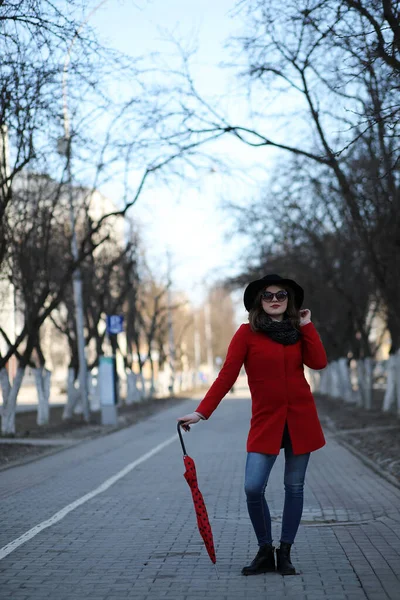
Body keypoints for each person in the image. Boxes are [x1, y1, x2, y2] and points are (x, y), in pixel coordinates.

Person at [178, 273, 327, 576]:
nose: (275, 300)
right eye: (268, 295)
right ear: (259, 301)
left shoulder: (299, 332)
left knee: (294, 488)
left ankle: (284, 552)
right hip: (266, 422)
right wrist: (201, 412)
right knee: (253, 487)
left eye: (281, 295)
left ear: (290, 301)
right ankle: (265, 550)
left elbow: (319, 362)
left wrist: (307, 325)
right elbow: (226, 376)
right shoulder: (246, 334)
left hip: (300, 420)